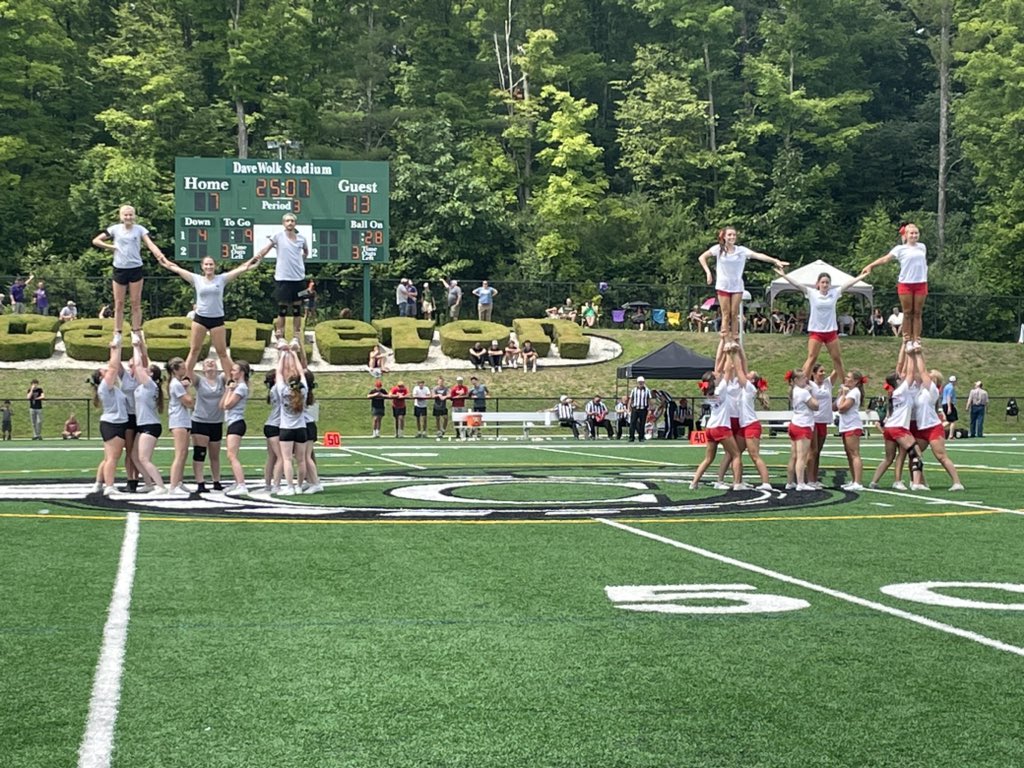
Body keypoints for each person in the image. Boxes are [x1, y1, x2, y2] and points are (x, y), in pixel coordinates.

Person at [155, 251, 263, 376]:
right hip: (200, 319)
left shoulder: (221, 279)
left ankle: (231, 379)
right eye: (206, 264)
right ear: (202, 266)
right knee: (194, 350)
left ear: (215, 266)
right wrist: (163, 261)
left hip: (217, 320)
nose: (209, 267)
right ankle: (185, 377)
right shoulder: (197, 279)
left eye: (211, 264)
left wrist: (253, 262)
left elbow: (241, 269)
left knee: (222, 353)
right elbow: (177, 269)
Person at [774, 267, 865, 383]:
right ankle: (802, 383)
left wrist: (861, 276)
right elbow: (797, 284)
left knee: (837, 359)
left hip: (831, 332)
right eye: (822, 282)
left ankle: (845, 384)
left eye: (827, 282)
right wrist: (784, 275)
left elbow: (848, 284)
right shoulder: (812, 293)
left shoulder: (834, 293)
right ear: (818, 284)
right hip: (816, 332)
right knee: (812, 358)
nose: (825, 284)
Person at [698, 227, 788, 343]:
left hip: (737, 286)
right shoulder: (718, 249)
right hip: (723, 285)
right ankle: (725, 336)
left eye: (734, 235)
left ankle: (735, 336)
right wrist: (708, 272)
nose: (732, 237)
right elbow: (702, 257)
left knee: (734, 313)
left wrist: (775, 261)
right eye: (729, 235)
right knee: (726, 313)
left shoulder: (741, 250)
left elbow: (758, 255)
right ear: (724, 237)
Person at [92, 204, 165, 345]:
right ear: (121, 216)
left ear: (134, 216)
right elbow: (96, 240)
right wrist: (111, 247)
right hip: (119, 269)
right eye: (125, 215)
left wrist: (158, 254)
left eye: (130, 214)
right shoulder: (114, 229)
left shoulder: (139, 229)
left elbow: (150, 243)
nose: (128, 217)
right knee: (119, 303)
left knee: (135, 303)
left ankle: (136, 331)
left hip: (135, 268)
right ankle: (117, 333)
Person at [860, 223, 929, 353]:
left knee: (918, 312)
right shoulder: (900, 249)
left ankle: (916, 339)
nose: (914, 235)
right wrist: (871, 265)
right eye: (911, 233)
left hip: (921, 283)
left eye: (916, 233)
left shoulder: (922, 247)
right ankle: (907, 339)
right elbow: (885, 259)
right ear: (906, 235)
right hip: (906, 284)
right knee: (908, 312)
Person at [868, 347, 928, 491]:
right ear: (896, 381)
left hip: (889, 428)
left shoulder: (895, 392)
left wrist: (907, 353)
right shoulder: (901, 390)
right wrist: (912, 355)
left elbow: (906, 372)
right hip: (898, 428)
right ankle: (916, 483)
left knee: (889, 458)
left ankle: (873, 482)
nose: (902, 377)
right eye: (899, 377)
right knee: (916, 453)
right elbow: (910, 373)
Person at [713, 345, 772, 490]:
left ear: (752, 381)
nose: (747, 374)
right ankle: (736, 481)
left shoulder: (749, 388)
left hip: (751, 425)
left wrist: (734, 352)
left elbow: (740, 369)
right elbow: (740, 368)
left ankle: (766, 483)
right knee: (735, 454)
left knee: (754, 455)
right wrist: (738, 351)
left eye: (750, 374)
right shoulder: (744, 386)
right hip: (743, 425)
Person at [690, 343, 744, 489]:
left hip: (710, 427)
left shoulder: (709, 393)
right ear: (713, 381)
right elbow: (726, 371)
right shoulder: (721, 390)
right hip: (721, 427)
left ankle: (694, 482)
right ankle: (738, 483)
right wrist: (728, 353)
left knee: (708, 458)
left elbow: (720, 371)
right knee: (736, 454)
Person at [909, 357, 965, 491]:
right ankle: (919, 482)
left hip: (933, 427)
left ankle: (957, 482)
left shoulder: (933, 390)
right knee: (914, 455)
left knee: (941, 456)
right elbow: (915, 372)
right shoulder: (920, 390)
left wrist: (918, 353)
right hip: (920, 428)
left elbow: (922, 371)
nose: (927, 377)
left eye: (931, 376)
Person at [257, 212, 309, 344]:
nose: (290, 223)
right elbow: (266, 249)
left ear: (295, 223)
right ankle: (281, 336)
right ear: (283, 223)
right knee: (282, 309)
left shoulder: (301, 239)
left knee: (297, 309)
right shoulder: (278, 236)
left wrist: (300, 262)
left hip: (298, 279)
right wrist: (257, 257)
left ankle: (296, 337)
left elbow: (306, 252)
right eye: (287, 221)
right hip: (283, 279)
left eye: (292, 221)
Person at [89, 340, 130, 496]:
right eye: (103, 370)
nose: (107, 370)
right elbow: (113, 367)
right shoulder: (105, 386)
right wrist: (115, 349)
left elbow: (114, 368)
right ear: (101, 376)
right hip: (113, 423)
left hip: (115, 422)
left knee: (108, 457)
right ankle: (110, 486)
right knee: (113, 457)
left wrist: (115, 350)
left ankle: (99, 483)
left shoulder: (110, 387)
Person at [129, 334, 167, 494]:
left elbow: (138, 365)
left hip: (150, 426)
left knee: (144, 458)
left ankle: (161, 486)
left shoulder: (150, 385)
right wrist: (140, 347)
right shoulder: (143, 386)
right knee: (134, 456)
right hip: (143, 425)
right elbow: (138, 365)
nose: (144, 369)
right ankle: (148, 483)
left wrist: (136, 346)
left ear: (151, 375)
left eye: (148, 370)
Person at [273, 346, 309, 494]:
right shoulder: (304, 390)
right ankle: (300, 486)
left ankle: (289, 487)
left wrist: (283, 355)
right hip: (301, 428)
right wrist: (294, 354)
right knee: (301, 460)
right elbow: (302, 371)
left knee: (287, 459)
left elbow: (278, 372)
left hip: (286, 429)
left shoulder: (283, 390)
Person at [190, 359, 226, 493]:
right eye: (207, 363)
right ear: (203, 368)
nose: (210, 363)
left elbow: (230, 369)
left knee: (215, 454)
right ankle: (200, 482)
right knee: (200, 452)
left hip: (216, 422)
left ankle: (216, 481)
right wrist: (194, 353)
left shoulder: (222, 379)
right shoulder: (200, 380)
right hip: (200, 421)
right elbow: (188, 371)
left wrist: (222, 354)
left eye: (213, 362)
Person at [783, 368, 819, 491]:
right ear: (796, 380)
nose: (806, 379)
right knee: (801, 457)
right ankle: (800, 483)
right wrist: (811, 393)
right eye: (803, 377)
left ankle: (790, 482)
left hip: (795, 423)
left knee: (793, 456)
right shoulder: (803, 392)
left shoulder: (794, 391)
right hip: (803, 425)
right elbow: (815, 406)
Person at [221, 360, 252, 496]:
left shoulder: (241, 388)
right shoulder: (237, 387)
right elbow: (222, 405)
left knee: (232, 455)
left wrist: (230, 390)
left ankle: (241, 484)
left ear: (242, 372)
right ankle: (237, 481)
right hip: (232, 423)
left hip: (237, 423)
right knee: (231, 455)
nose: (232, 372)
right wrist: (229, 390)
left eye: (235, 370)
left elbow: (228, 405)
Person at [165, 356, 195, 496]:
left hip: (184, 420)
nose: (185, 369)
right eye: (182, 367)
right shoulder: (176, 384)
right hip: (178, 420)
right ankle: (173, 485)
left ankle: (179, 482)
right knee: (180, 453)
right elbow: (189, 402)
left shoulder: (178, 383)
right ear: (175, 369)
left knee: (184, 453)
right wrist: (187, 389)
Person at [807, 363, 839, 489]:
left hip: (823, 421)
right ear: (814, 373)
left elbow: (837, 368)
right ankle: (809, 479)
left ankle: (815, 479)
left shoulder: (828, 383)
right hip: (813, 420)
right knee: (812, 451)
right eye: (820, 371)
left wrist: (835, 354)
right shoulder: (810, 384)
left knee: (818, 452)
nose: (823, 373)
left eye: (824, 371)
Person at [836, 370, 867, 491]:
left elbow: (842, 408)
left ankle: (858, 482)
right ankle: (854, 480)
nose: (846, 379)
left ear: (856, 381)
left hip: (852, 425)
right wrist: (840, 394)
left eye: (849, 378)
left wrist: (843, 394)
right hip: (845, 425)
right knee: (849, 454)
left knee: (854, 454)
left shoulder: (854, 392)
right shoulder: (848, 392)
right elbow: (835, 406)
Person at [628, 376, 651, 443]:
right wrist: (628, 408)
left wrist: (649, 408)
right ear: (637, 383)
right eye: (639, 382)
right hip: (635, 409)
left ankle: (641, 437)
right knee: (633, 423)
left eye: (642, 382)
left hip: (643, 409)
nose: (641, 383)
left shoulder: (647, 390)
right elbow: (630, 399)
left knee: (642, 424)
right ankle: (631, 437)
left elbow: (649, 399)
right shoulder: (634, 390)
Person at [942, 374, 958, 440]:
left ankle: (938, 428)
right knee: (953, 421)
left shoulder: (946, 386)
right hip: (948, 404)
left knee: (949, 421)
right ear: (954, 381)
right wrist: (949, 407)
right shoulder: (951, 387)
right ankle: (951, 436)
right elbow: (949, 397)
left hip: (944, 403)